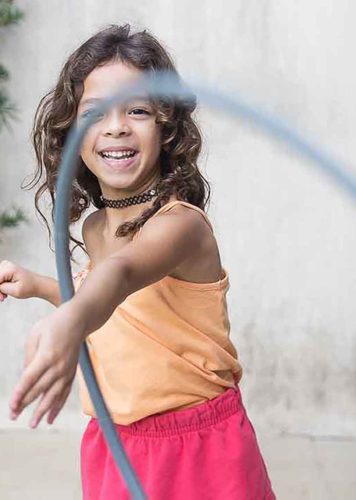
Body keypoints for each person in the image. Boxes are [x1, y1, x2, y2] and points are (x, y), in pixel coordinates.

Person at [0, 24, 276, 499]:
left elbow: (122, 275)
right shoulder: (94, 227)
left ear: (166, 128)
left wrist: (70, 322)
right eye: (94, 114)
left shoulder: (181, 228)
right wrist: (41, 286)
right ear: (71, 134)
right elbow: (113, 304)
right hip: (116, 441)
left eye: (138, 110)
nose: (115, 126)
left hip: (199, 447)